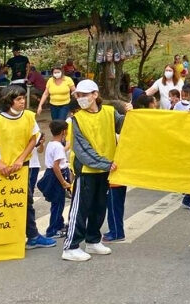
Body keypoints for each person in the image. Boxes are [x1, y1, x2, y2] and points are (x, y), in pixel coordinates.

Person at [0, 85, 57, 250]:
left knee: (25, 201)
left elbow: (32, 139)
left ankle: (33, 236)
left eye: (23, 98)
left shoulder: (28, 116)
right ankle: (0, 237)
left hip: (21, 167)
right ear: (9, 101)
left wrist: (21, 159)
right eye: (19, 99)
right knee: (0, 204)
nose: (23, 102)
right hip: (0, 168)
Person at [61, 79, 124, 261]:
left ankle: (93, 240)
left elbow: (125, 127)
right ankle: (71, 246)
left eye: (84, 95)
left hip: (105, 171)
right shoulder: (76, 120)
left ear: (95, 95)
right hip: (87, 171)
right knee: (80, 208)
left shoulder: (110, 113)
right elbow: (82, 150)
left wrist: (131, 113)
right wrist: (105, 163)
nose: (80, 98)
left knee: (99, 207)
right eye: (78, 95)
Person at [37, 120, 72, 239]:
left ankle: (59, 224)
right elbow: (56, 166)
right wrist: (63, 182)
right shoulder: (57, 147)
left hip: (52, 174)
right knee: (58, 204)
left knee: (58, 202)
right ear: (64, 131)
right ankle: (53, 230)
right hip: (57, 176)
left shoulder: (52, 144)